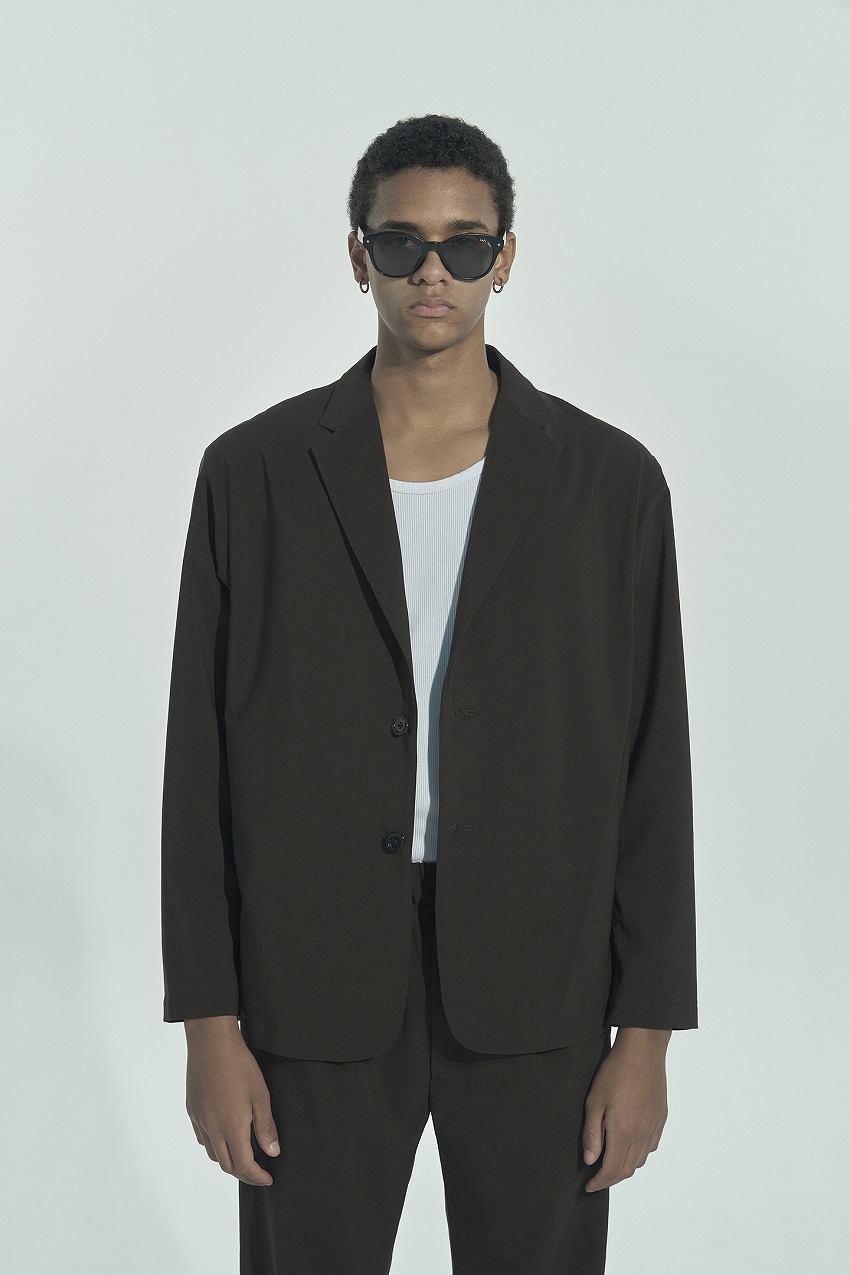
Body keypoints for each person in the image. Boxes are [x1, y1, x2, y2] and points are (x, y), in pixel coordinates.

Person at [161, 113, 698, 1275]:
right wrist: (209, 1026)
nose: (433, 271)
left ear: (506, 257)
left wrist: (647, 1037)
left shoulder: (607, 485)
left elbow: (652, 768)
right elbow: (197, 766)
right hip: (310, 975)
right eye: (401, 244)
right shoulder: (253, 475)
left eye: (465, 244)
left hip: (540, 975)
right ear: (358, 256)